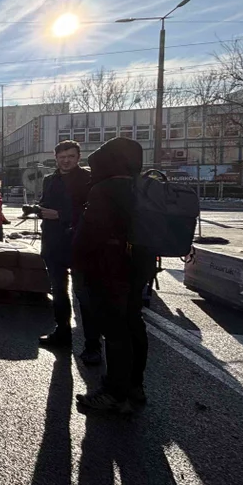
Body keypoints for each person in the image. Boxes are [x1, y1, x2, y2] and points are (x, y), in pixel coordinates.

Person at [74, 137, 157, 414]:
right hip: (138, 266)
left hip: (108, 268)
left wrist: (77, 259)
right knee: (134, 324)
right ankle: (136, 385)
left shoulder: (104, 189)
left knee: (114, 330)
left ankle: (114, 392)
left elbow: (90, 234)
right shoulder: (142, 186)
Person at [36, 140, 99, 363]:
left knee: (84, 296)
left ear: (78, 157)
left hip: (79, 245)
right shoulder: (49, 180)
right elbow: (46, 204)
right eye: (62, 156)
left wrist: (60, 215)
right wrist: (39, 210)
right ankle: (62, 333)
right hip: (53, 245)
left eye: (70, 156)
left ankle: (93, 346)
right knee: (59, 292)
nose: (66, 160)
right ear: (56, 158)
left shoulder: (89, 179)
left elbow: (93, 212)